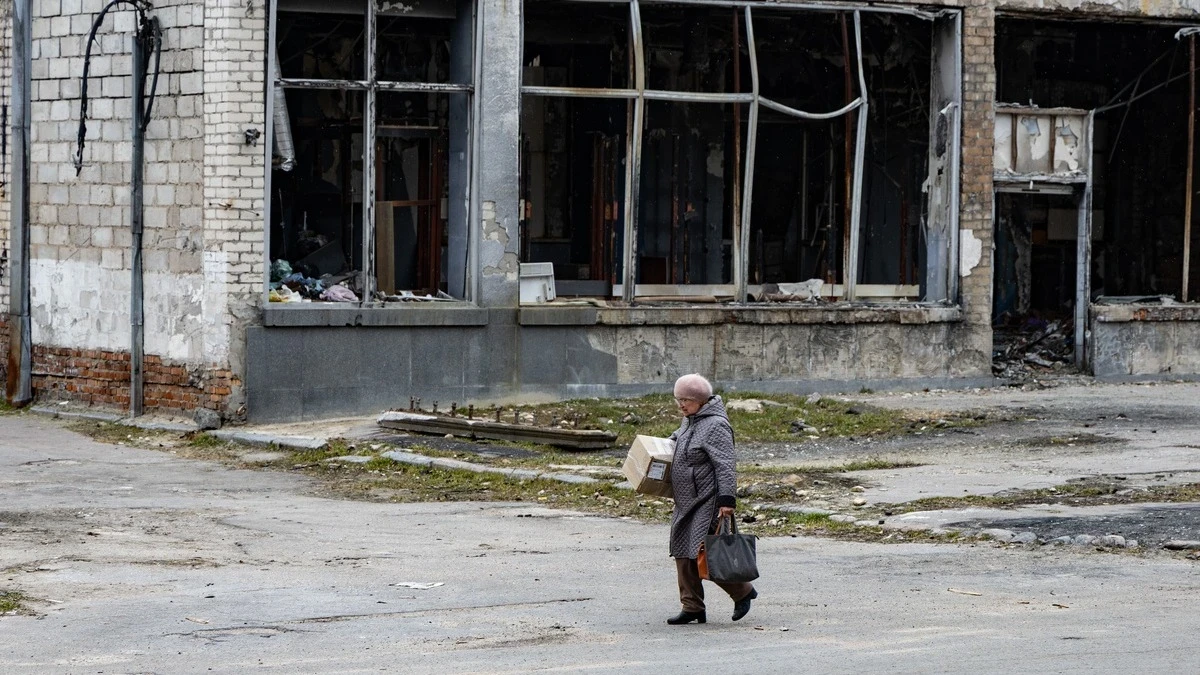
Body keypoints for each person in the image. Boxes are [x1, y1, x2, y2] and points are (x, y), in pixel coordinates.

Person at [664, 373, 757, 625]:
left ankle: (743, 591)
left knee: (705, 553)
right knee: (681, 552)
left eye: (685, 400)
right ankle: (692, 606)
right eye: (678, 400)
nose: (681, 405)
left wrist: (727, 500)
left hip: (707, 500)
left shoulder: (716, 425)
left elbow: (725, 465)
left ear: (701, 400)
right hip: (686, 501)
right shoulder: (690, 419)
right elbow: (680, 438)